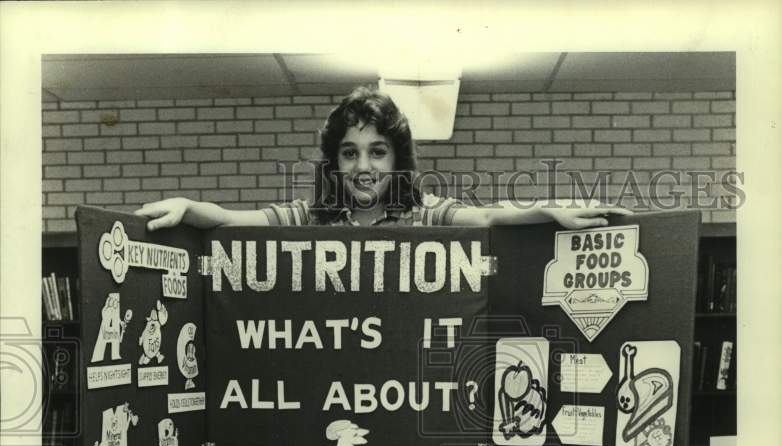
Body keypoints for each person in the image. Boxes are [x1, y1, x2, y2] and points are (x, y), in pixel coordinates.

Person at [135, 86, 629, 232]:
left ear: (397, 160)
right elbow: (230, 219)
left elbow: (486, 216)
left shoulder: (423, 213)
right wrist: (184, 202)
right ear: (335, 163)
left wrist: (549, 211)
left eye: (377, 151)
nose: (364, 166)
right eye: (349, 153)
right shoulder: (311, 218)